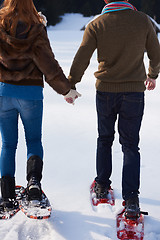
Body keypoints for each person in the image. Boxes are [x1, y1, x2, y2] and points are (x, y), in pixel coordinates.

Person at [64, 0, 160, 219]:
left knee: (104, 139)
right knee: (130, 145)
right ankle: (132, 199)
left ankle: (102, 185)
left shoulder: (97, 24)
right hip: (134, 93)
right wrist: (152, 75)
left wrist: (71, 84)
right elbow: (156, 53)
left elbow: (82, 57)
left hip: (106, 92)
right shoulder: (142, 20)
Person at [0, 0, 70, 210]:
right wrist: (66, 89)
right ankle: (33, 185)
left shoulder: (1, 24)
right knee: (33, 140)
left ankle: (6, 196)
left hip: (4, 92)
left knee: (7, 144)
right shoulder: (36, 27)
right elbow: (47, 61)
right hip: (30, 93)